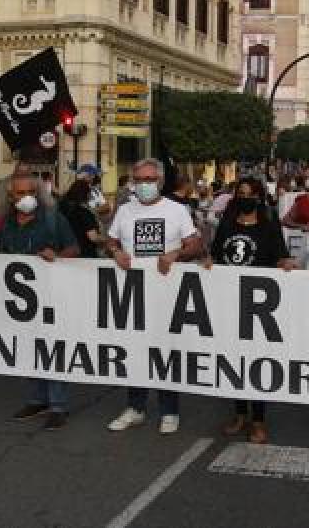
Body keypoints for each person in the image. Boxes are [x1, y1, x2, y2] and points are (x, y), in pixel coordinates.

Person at [0, 174, 79, 430]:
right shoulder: (4, 224)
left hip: (51, 297)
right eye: (19, 193)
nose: (25, 197)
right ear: (11, 197)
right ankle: (36, 399)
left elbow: (74, 249)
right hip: (19, 302)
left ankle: (57, 406)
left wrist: (58, 257)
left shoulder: (54, 220)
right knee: (28, 347)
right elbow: (0, 255)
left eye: (30, 192)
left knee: (52, 348)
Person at [106, 158, 202, 435]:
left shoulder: (176, 210)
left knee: (165, 351)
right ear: (133, 182)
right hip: (133, 294)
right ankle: (135, 407)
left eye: (150, 180)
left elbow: (195, 243)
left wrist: (176, 254)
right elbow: (110, 239)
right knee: (135, 350)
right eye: (140, 180)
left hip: (167, 294)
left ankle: (169, 410)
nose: (145, 185)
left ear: (159, 181)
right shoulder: (124, 210)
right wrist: (115, 252)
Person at [205, 176, 296, 444]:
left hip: (259, 308)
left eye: (250, 194)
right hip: (230, 304)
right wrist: (209, 262)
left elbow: (280, 256)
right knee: (234, 362)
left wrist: (285, 264)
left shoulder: (269, 226)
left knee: (256, 364)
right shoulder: (227, 224)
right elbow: (217, 255)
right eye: (240, 193)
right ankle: (239, 414)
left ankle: (258, 420)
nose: (245, 198)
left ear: (258, 197)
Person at [59, 179, 105, 257]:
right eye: (89, 192)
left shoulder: (61, 207)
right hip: (84, 254)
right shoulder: (83, 212)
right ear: (85, 194)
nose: (90, 195)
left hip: (64, 252)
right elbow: (93, 237)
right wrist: (105, 240)